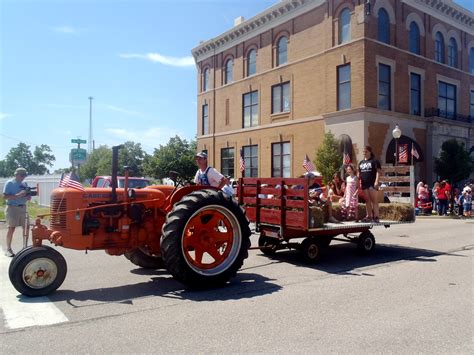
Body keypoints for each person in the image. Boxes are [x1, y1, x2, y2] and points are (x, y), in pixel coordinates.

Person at [2, 167, 31, 257]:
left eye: (24, 175)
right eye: (22, 175)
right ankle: (8, 249)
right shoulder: (10, 183)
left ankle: (24, 247)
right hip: (12, 208)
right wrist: (18, 195)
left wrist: (28, 196)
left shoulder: (24, 183)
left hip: (23, 208)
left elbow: (27, 196)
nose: (23, 177)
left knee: (26, 227)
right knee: (11, 228)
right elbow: (5, 196)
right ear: (17, 175)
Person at [358, 145, 382, 223]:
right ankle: (369, 216)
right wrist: (358, 182)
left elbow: (378, 172)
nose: (364, 153)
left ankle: (376, 217)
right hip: (364, 184)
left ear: (370, 152)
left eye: (366, 151)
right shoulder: (361, 162)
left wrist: (376, 181)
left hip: (372, 183)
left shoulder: (375, 161)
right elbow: (359, 173)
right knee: (367, 200)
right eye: (363, 151)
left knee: (374, 200)